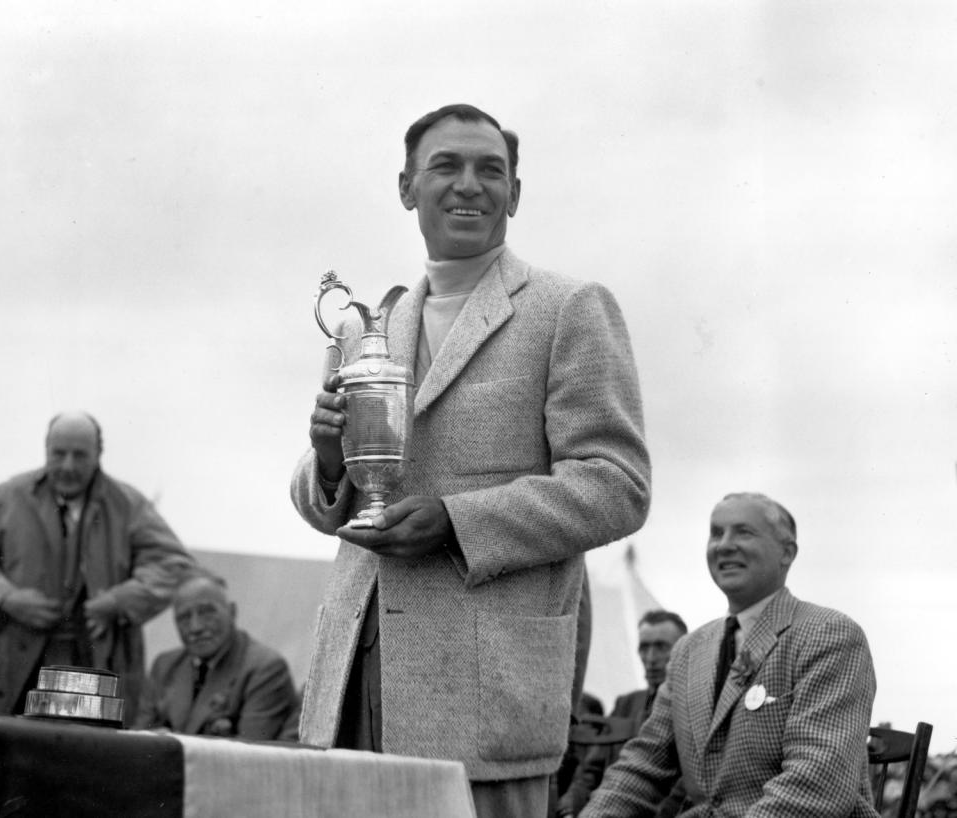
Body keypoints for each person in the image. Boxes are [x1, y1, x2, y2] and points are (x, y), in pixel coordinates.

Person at [290, 102, 651, 818]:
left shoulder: (569, 307)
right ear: (406, 187)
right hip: (350, 684)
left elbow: (617, 486)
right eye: (445, 166)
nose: (469, 185)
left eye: (491, 170)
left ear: (515, 193)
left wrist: (456, 522)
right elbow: (317, 498)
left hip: (485, 707)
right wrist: (327, 461)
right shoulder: (370, 323)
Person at [581, 493, 880, 818]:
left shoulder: (829, 635)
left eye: (743, 532)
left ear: (787, 553)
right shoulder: (689, 652)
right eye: (716, 532)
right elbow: (643, 767)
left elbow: (818, 783)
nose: (724, 545)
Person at [0, 411, 195, 723]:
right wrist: (7, 598)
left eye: (80, 455)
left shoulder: (127, 504)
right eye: (59, 454)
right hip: (13, 666)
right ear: (45, 449)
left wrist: (120, 601)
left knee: (86, 757)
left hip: (96, 664)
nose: (68, 466)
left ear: (98, 455)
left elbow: (174, 564)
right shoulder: (9, 497)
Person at [134, 573, 300, 741]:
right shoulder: (165, 666)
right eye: (184, 618)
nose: (195, 627)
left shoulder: (265, 669)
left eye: (207, 613)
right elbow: (139, 740)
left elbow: (250, 753)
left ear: (232, 612)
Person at [557, 609, 687, 817]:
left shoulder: (692, 706)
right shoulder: (625, 704)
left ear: (682, 649)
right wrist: (572, 801)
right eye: (644, 648)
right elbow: (591, 768)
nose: (651, 658)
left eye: (661, 647)